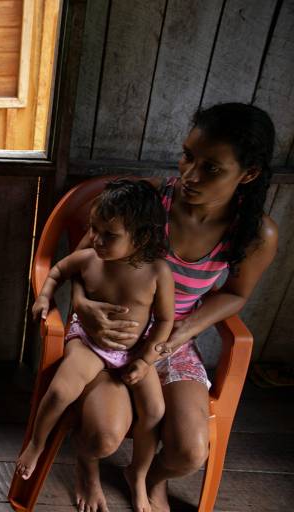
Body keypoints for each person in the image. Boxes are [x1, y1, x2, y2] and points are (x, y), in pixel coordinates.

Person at [68, 103, 278, 512]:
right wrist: (82, 306)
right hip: (115, 329)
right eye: (188, 156)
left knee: (188, 451)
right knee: (103, 435)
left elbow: (235, 294)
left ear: (247, 175)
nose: (190, 174)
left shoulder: (254, 232)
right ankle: (87, 466)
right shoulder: (147, 203)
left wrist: (180, 333)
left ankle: (146, 475)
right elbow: (81, 260)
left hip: (173, 338)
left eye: (212, 169)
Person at [16, 180, 174, 512]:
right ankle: (37, 444)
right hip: (89, 343)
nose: (97, 240)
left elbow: (164, 321)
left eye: (109, 235)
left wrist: (145, 359)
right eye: (94, 229)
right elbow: (58, 269)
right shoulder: (90, 259)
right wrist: (44, 296)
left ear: (142, 237)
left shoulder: (158, 272)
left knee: (155, 411)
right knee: (61, 391)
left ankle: (141, 476)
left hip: (133, 350)